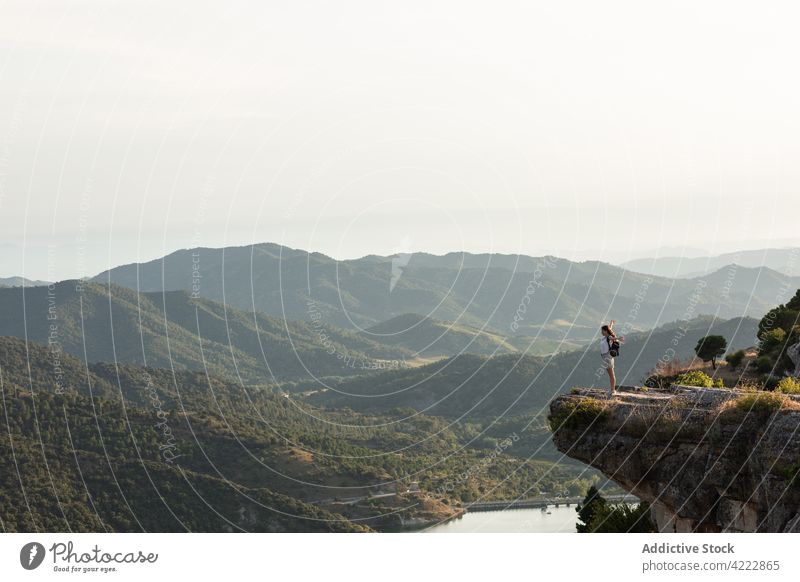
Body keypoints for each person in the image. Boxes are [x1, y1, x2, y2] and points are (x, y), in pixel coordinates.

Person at [600, 320, 624, 396]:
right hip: (605, 357)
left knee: (611, 374)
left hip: (608, 357)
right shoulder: (605, 337)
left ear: (605, 331)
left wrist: (619, 338)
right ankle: (612, 389)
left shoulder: (608, 337)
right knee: (610, 374)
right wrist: (611, 324)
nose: (601, 332)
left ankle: (613, 390)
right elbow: (609, 329)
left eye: (602, 331)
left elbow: (613, 338)